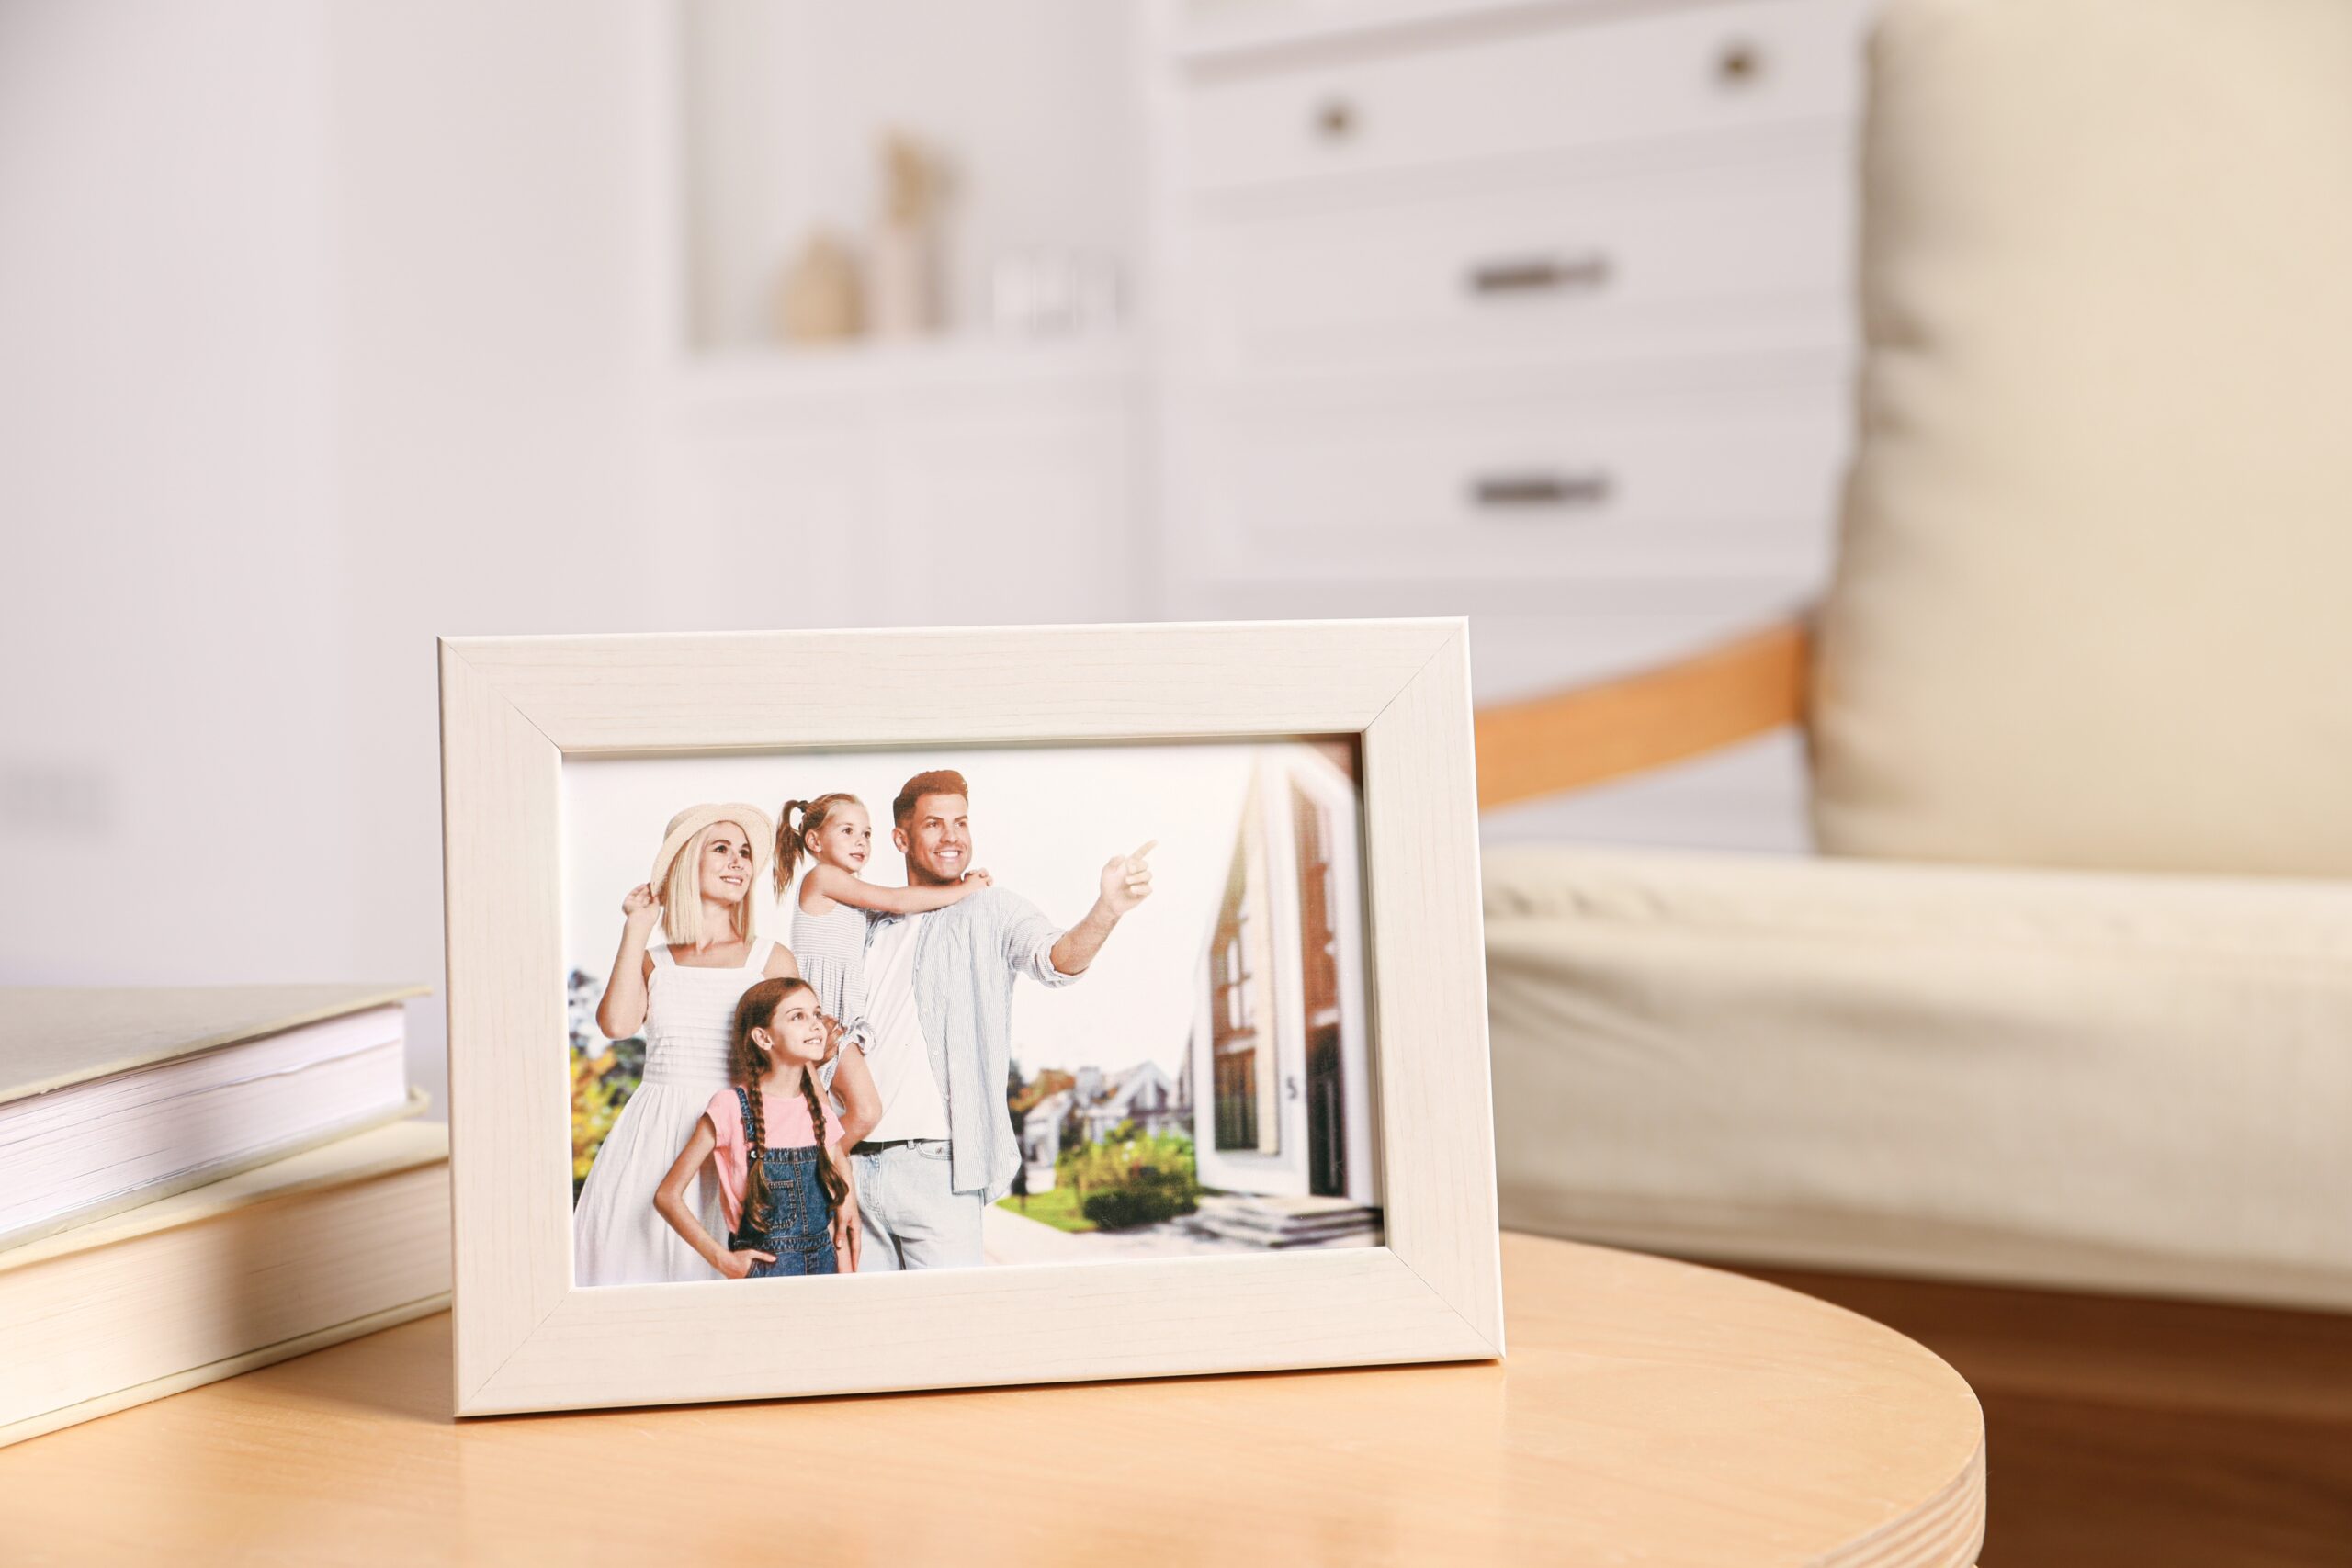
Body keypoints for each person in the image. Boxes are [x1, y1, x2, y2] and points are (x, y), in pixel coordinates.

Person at [842, 768, 1155, 1272]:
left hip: (939, 1170)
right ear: (901, 838)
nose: (952, 837)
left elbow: (1056, 958)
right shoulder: (866, 924)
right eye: (934, 825)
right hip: (852, 1168)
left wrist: (1108, 909)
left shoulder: (992, 910)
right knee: (868, 1338)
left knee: (953, 1334)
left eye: (961, 823)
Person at [572, 803, 805, 1286]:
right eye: (721, 849)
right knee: (638, 1267)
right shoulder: (654, 961)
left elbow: (794, 1066)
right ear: (685, 863)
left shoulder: (770, 958)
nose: (738, 861)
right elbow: (616, 1025)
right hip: (654, 1133)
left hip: (739, 1132)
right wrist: (636, 927)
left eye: (744, 853)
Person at [773, 791, 991, 1089]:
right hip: (823, 1014)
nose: (860, 841)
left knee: (828, 1111)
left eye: (866, 834)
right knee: (864, 1111)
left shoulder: (847, 890)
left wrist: (955, 885)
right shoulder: (823, 877)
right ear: (815, 841)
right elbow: (896, 901)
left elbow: (893, 914)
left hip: (838, 1014)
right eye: (847, 831)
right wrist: (965, 890)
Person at [652, 976, 860, 1278]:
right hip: (763, 1275)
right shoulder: (729, 1107)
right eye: (797, 1016)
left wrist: (847, 1284)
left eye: (816, 1014)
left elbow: (836, 1225)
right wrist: (724, 1260)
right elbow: (667, 1196)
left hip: (825, 1271)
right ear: (763, 1038)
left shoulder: (819, 1113)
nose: (816, 1024)